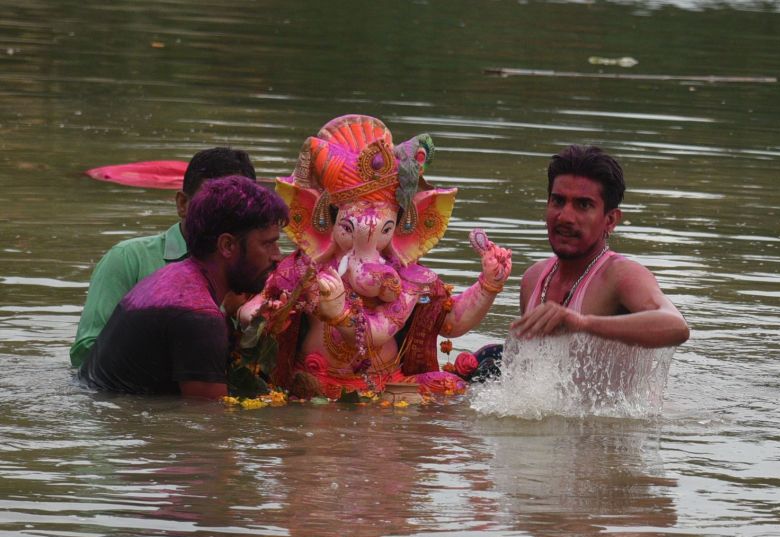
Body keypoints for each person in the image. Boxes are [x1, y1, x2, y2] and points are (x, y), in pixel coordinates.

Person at [241, 114, 512, 400]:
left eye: (385, 229)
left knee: (449, 387)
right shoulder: (304, 269)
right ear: (324, 223)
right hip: (312, 384)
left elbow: (451, 323)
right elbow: (253, 310)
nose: (367, 243)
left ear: (400, 230)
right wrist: (262, 315)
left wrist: (488, 285)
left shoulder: (409, 279)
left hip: (387, 389)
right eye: (348, 227)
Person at [78, 175, 287, 399]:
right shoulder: (198, 314)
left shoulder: (172, 278)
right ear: (227, 246)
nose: (278, 256)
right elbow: (208, 425)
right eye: (268, 243)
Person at [70, 147, 257, 368]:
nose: (222, 216)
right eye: (209, 203)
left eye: (236, 207)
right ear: (182, 204)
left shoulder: (260, 269)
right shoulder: (129, 259)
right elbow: (86, 352)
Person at [510, 144, 689, 347]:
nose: (565, 217)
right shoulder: (533, 279)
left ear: (610, 220)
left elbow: (677, 326)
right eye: (558, 201)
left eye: (583, 205)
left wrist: (582, 323)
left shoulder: (620, 276)